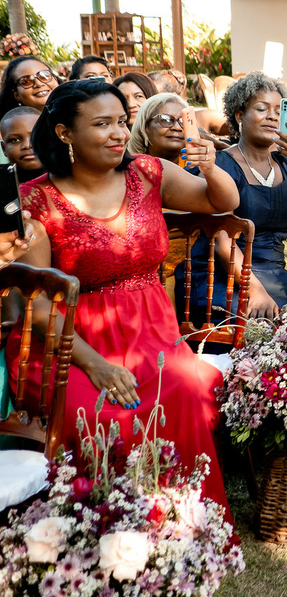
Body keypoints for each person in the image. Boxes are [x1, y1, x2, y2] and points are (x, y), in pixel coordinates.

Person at [5, 79, 238, 510]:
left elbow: (220, 201)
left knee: (182, 392)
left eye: (121, 122)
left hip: (151, 330)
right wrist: (95, 364)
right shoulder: (35, 200)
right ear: (64, 133)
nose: (117, 133)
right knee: (99, 412)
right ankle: (106, 524)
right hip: (68, 342)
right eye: (102, 124)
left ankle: (182, 525)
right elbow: (37, 304)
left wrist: (209, 166)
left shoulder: (149, 173)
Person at [176, 73, 287, 322]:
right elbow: (222, 242)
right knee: (271, 327)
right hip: (225, 276)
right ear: (240, 116)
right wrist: (256, 291)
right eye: (262, 109)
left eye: (278, 111)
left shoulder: (286, 164)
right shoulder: (221, 164)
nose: (272, 116)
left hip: (276, 275)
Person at [128, 92, 190, 162]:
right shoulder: (129, 169)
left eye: (183, 121)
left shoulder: (199, 168)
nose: (177, 127)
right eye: (166, 120)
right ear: (146, 126)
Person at [1, 107, 45, 182]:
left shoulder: (69, 179)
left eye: (36, 136)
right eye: (15, 140)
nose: (27, 145)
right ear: (4, 148)